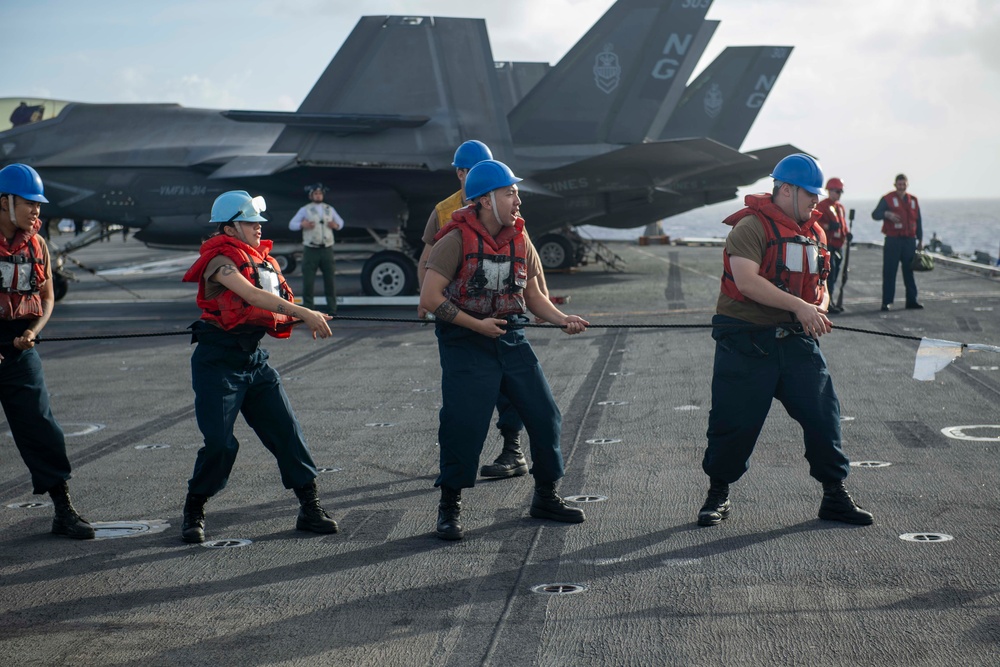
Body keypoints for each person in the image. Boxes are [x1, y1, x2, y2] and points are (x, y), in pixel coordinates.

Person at [697, 153, 873, 529]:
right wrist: (801, 307)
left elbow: (821, 287)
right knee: (734, 422)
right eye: (810, 193)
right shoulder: (750, 228)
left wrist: (816, 308)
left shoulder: (815, 233)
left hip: (795, 341)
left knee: (824, 416)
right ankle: (718, 493)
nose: (816, 200)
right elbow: (746, 281)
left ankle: (834, 494)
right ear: (787, 189)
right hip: (747, 341)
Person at [419, 159, 590, 540]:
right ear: (484, 199)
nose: (517, 200)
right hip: (465, 342)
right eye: (509, 192)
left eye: (516, 192)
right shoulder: (454, 240)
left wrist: (562, 318)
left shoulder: (520, 239)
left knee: (546, 417)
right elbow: (430, 297)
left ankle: (545, 496)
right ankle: (450, 507)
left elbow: (532, 296)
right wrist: (476, 324)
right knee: (464, 424)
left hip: (511, 337)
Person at [179, 190, 339, 544]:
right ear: (231, 226)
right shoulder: (219, 261)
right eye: (252, 222)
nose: (258, 228)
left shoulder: (262, 260)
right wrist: (305, 312)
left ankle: (309, 506)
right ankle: (194, 507)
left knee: (286, 430)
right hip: (217, 361)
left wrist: (304, 317)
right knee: (220, 444)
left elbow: (271, 307)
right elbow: (250, 297)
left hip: (253, 360)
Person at [417, 140, 533, 480]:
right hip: (459, 321)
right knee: (462, 400)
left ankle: (512, 449)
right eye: (469, 171)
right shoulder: (443, 212)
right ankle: (454, 482)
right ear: (459, 173)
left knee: (511, 389)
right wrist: (426, 299)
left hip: (501, 315)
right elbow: (427, 258)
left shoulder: (504, 203)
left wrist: (541, 304)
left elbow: (525, 259)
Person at [0, 163, 95, 540]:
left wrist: (33, 331)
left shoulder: (37, 244)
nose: (37, 210)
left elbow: (47, 296)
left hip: (20, 347)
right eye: (29, 203)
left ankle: (63, 509)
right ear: (5, 201)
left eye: (39, 204)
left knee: (43, 430)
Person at [288, 184, 343, 314]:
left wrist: (336, 225)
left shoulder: (329, 209)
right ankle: (308, 307)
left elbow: (340, 222)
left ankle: (332, 308)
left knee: (330, 279)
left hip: (327, 248)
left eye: (320, 193)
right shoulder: (305, 210)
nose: (318, 195)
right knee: (308, 280)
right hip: (311, 249)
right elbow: (292, 224)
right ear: (311, 195)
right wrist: (302, 224)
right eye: (316, 193)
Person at [871, 173, 923, 311]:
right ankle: (887, 302)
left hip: (909, 241)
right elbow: (875, 214)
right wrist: (886, 214)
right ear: (895, 185)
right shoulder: (887, 199)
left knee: (909, 271)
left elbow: (918, 221)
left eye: (904, 184)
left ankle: (912, 301)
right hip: (893, 240)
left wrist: (920, 240)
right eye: (899, 184)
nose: (901, 187)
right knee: (889, 271)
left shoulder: (913, 200)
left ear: (907, 185)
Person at [815, 177, 848, 312]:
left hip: (838, 246)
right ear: (829, 191)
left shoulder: (840, 207)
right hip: (828, 247)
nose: (839, 194)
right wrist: (828, 226)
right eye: (837, 191)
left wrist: (847, 233)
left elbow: (843, 225)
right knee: (829, 275)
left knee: (835, 274)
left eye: (841, 191)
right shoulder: (822, 206)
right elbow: (815, 224)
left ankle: (832, 301)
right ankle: (828, 302)